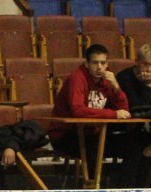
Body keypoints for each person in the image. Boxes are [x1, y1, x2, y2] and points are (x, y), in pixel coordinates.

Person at [49, 44, 131, 178]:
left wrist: (116, 87)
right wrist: (113, 114)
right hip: (66, 135)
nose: (99, 67)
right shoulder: (77, 78)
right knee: (95, 146)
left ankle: (128, 185)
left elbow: (125, 111)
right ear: (86, 64)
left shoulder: (107, 81)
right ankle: (93, 185)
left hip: (92, 132)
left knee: (133, 144)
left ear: (107, 64)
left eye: (103, 63)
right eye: (95, 63)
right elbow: (78, 111)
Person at [116, 44, 151, 187]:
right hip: (125, 127)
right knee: (137, 145)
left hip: (146, 129)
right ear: (137, 61)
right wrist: (147, 87)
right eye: (145, 64)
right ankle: (128, 189)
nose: (149, 69)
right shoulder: (124, 77)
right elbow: (137, 109)